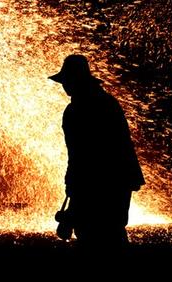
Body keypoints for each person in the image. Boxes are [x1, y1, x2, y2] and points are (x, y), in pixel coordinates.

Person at [49, 54, 145, 247]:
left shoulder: (76, 110)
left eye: (66, 80)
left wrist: (72, 183)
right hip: (120, 179)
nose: (64, 85)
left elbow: (79, 153)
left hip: (94, 180)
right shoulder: (108, 102)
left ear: (75, 80)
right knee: (113, 231)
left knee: (90, 233)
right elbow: (122, 144)